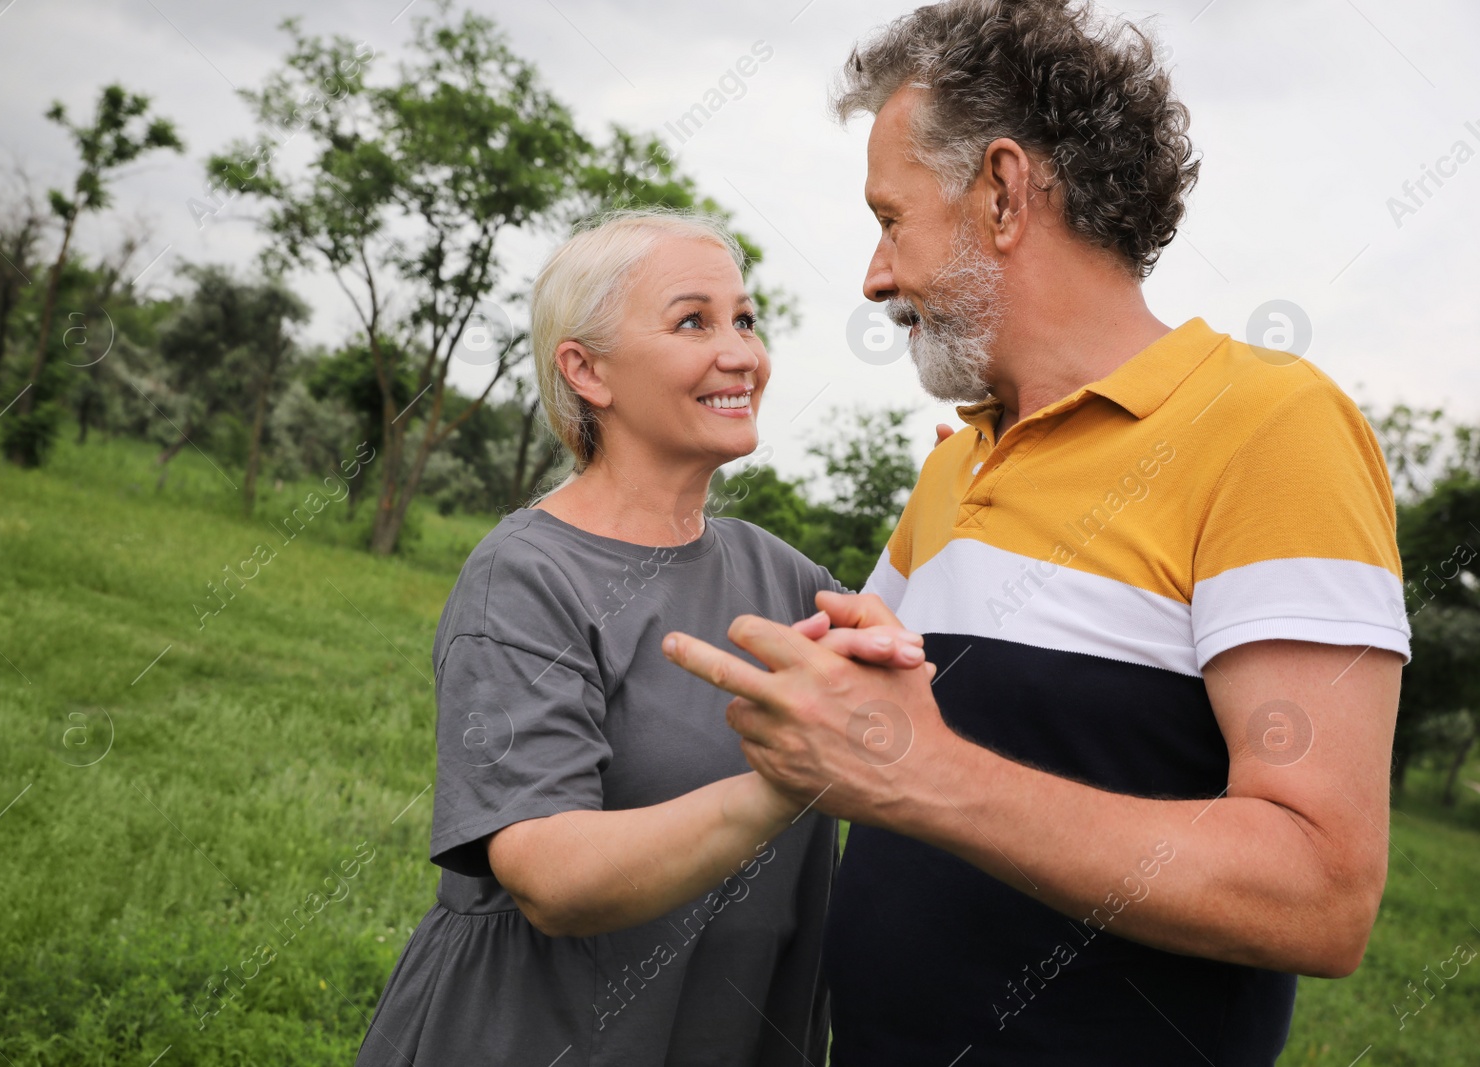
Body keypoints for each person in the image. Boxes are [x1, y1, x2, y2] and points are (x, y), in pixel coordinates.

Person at [662, 2, 1411, 1065]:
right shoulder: (960, 457)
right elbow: (868, 711)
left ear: (1003, 193)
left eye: (890, 218)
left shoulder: (1271, 425)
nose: (875, 275)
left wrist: (928, 774)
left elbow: (1321, 890)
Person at [353, 209, 919, 1067]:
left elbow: (925, 719)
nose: (741, 354)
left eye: (745, 318)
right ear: (587, 371)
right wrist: (783, 782)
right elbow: (550, 874)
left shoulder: (787, 578)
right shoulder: (527, 576)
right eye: (693, 320)